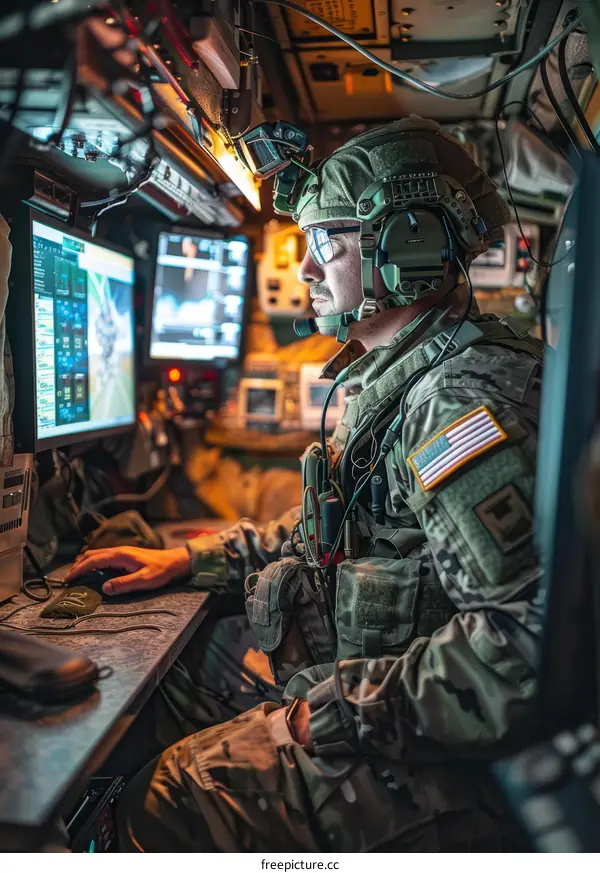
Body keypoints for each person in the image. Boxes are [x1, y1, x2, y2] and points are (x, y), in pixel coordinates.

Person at [67, 116, 544, 852]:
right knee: (176, 681)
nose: (308, 272)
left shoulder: (456, 402)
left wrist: (326, 715)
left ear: (409, 248)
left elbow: (522, 648)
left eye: (327, 244)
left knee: (166, 798)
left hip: (459, 767)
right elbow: (332, 530)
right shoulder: (410, 375)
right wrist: (190, 560)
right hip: (386, 685)